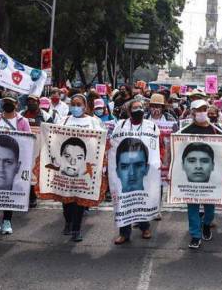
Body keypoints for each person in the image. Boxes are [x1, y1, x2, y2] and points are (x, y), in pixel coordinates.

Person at [55, 93, 105, 242]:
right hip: (66, 166)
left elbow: (100, 141)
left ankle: (76, 229)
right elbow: (55, 138)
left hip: (84, 168)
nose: (76, 107)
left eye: (79, 104)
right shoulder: (64, 120)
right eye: (73, 104)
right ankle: (68, 221)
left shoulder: (93, 122)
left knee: (79, 199)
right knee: (67, 199)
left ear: (85, 106)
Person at [177, 98, 222, 249]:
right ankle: (195, 235)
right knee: (192, 206)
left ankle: (206, 223)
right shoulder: (185, 131)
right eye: (198, 110)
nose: (202, 113)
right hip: (191, 179)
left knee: (210, 206)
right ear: (192, 112)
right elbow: (178, 152)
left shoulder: (216, 130)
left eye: (204, 109)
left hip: (211, 177)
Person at [0, 92, 31, 237]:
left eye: (11, 102)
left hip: (12, 163)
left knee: (9, 192)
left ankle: (7, 221)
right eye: (5, 102)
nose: (8, 104)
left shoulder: (23, 121)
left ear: (16, 105)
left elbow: (27, 141)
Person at [112, 99, 158, 244]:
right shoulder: (120, 125)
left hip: (142, 167)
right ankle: (124, 233)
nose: (138, 110)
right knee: (124, 200)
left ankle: (145, 227)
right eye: (135, 107)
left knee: (141, 198)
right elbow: (113, 144)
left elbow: (157, 145)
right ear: (129, 110)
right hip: (125, 167)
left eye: (140, 107)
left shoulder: (152, 126)